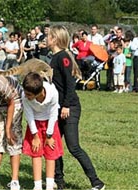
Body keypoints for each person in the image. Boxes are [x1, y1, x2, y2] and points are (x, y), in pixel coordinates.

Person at [47, 25, 105, 190]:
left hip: (69, 107)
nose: (46, 38)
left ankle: (97, 182)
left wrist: (66, 106)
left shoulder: (63, 57)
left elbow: (70, 84)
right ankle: (59, 181)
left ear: (55, 39)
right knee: (54, 145)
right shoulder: (54, 57)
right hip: (56, 108)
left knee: (73, 147)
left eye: (49, 36)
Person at [21, 72, 64, 190]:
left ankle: (49, 185)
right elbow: (29, 116)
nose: (26, 95)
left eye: (29, 94)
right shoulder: (25, 96)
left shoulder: (52, 92)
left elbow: (53, 114)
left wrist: (49, 136)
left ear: (39, 92)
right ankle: (37, 186)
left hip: (50, 122)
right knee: (36, 153)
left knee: (50, 153)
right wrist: (35, 136)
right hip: (35, 122)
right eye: (25, 92)